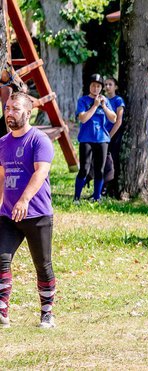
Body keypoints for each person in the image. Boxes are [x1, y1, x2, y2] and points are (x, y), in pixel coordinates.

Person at [0, 92, 57, 328]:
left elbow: (40, 172)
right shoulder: (2, 143)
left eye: (15, 108)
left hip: (37, 213)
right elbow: (1, 176)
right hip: (8, 215)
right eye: (7, 108)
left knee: (42, 265)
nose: (9, 112)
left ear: (28, 112)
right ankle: (2, 311)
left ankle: (47, 313)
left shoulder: (39, 140)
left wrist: (24, 200)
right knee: (1, 259)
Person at [73, 73, 117, 203]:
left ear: (101, 88)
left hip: (102, 139)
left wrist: (103, 106)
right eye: (93, 85)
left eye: (98, 86)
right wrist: (94, 106)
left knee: (100, 170)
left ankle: (97, 197)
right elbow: (83, 118)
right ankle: (76, 198)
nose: (95, 88)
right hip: (86, 139)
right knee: (84, 169)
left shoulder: (105, 101)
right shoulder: (83, 100)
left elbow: (113, 118)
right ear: (89, 86)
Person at [104, 77, 125, 198]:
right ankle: (103, 188)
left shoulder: (118, 100)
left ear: (115, 87)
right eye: (106, 84)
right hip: (103, 135)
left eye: (110, 84)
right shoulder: (103, 100)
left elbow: (118, 121)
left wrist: (110, 136)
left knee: (113, 162)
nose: (107, 87)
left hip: (114, 135)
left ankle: (112, 188)